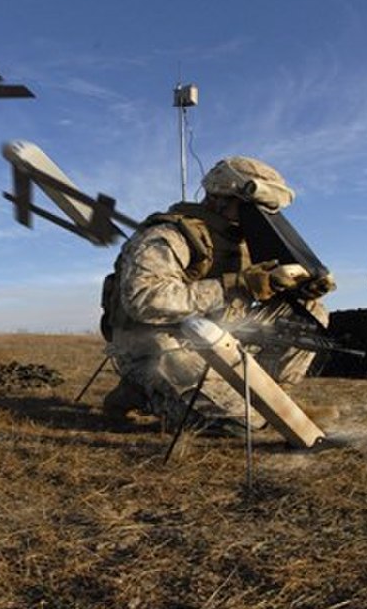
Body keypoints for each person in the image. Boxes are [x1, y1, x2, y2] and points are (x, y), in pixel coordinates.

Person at [99, 156, 337, 434]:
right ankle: (139, 389)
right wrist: (237, 285)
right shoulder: (169, 235)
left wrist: (298, 289)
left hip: (218, 336)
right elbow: (145, 299)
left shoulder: (242, 242)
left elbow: (258, 295)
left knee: (310, 312)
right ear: (221, 197)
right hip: (155, 343)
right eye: (253, 208)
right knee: (238, 424)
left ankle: (275, 401)